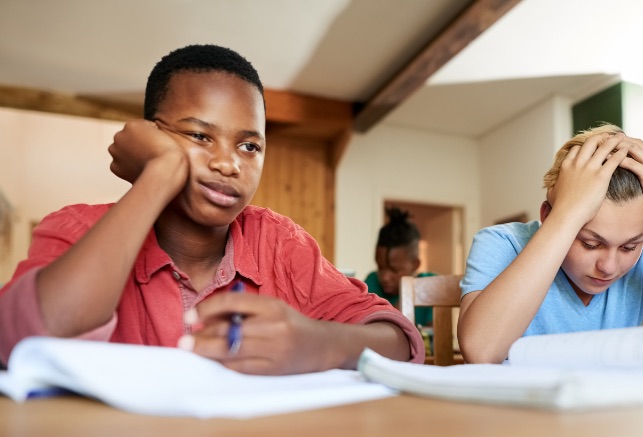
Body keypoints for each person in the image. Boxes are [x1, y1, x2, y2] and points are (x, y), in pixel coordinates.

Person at [0, 44, 424, 373]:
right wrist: (158, 175)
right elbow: (23, 338)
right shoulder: (78, 227)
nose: (228, 163)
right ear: (151, 136)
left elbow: (397, 340)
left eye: (249, 145)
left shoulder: (279, 243)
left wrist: (316, 343)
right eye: (200, 137)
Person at [457, 124, 643, 364]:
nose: (609, 267)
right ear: (548, 216)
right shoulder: (501, 243)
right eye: (589, 243)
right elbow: (482, 351)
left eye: (629, 246)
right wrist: (567, 216)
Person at [364, 207, 435, 326]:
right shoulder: (371, 283)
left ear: (415, 264)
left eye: (394, 270)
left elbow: (435, 338)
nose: (385, 277)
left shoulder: (432, 285)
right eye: (380, 267)